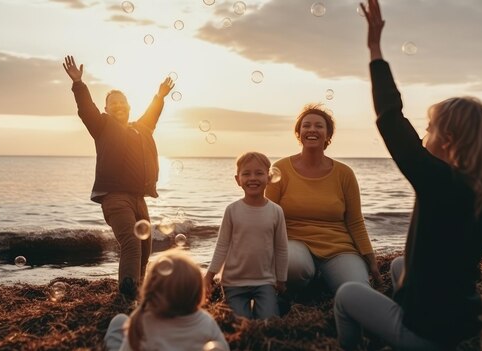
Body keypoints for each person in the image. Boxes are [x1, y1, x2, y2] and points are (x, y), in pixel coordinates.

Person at [333, 1, 482, 349]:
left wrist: (374, 48)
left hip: (420, 332)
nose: (422, 135)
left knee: (347, 293)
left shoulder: (438, 183)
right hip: (454, 321)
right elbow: (454, 272)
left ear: (447, 141)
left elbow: (391, 117)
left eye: (428, 129)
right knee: (400, 265)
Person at [62, 55, 174, 299]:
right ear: (107, 109)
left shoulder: (141, 128)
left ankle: (137, 293)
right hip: (114, 197)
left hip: (138, 198)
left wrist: (160, 96)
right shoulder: (101, 125)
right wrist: (79, 84)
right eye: (113, 103)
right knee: (132, 243)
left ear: (129, 106)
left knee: (145, 248)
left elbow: (152, 114)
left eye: (122, 102)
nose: (119, 106)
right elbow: (86, 109)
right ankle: (126, 293)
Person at [265, 105, 381, 294]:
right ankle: (309, 283)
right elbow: (267, 218)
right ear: (298, 133)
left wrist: (371, 261)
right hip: (293, 242)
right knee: (295, 268)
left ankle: (325, 277)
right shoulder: (280, 169)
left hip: (338, 247)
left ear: (328, 135)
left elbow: (355, 221)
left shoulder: (345, 173)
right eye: (306, 125)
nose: (312, 129)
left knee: (356, 290)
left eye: (319, 126)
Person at [204, 152, 288, 319]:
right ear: (238, 180)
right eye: (246, 173)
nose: (253, 178)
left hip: (265, 282)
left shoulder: (276, 211)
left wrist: (281, 279)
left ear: (269, 177)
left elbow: (281, 248)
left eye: (259, 173)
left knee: (268, 321)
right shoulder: (232, 210)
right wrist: (210, 275)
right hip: (234, 283)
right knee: (241, 323)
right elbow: (222, 245)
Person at [103, 250, 230, 351]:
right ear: (197, 293)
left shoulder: (143, 321)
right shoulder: (206, 322)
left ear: (152, 290)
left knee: (119, 321)